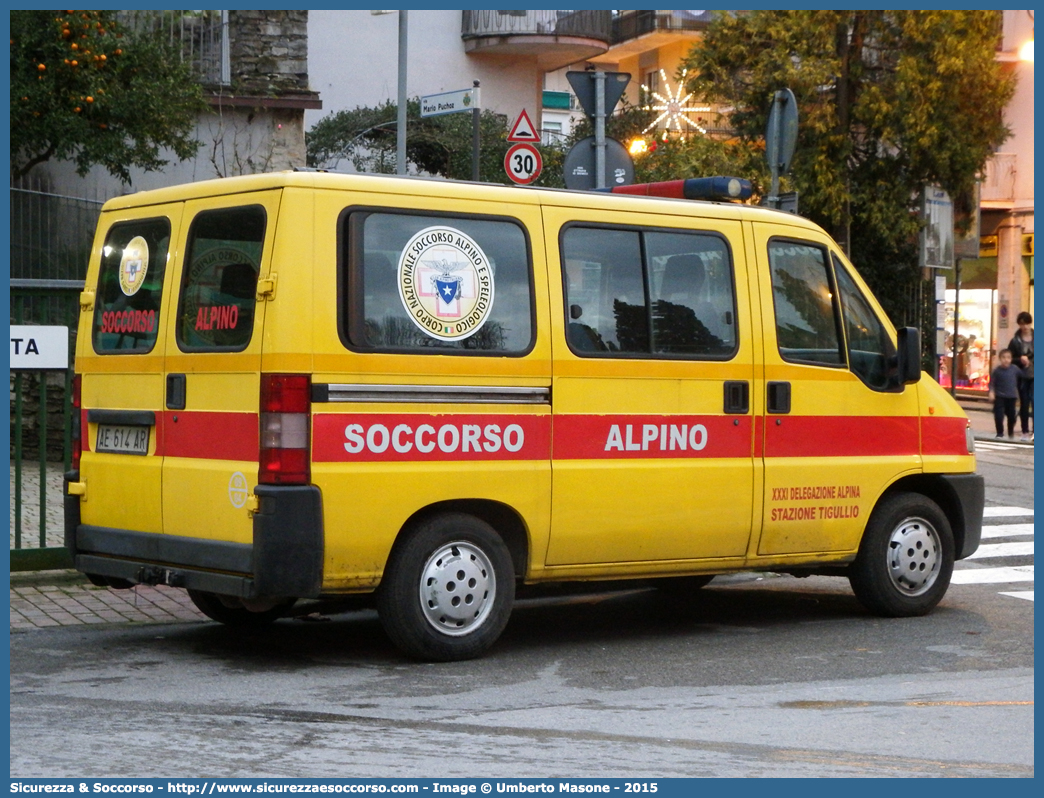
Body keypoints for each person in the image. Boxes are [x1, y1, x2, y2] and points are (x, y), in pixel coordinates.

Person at [1008, 311, 1034, 441]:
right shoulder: (1015, 341)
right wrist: (1020, 360)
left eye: (1027, 324)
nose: (1025, 327)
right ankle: (1024, 431)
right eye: (1022, 324)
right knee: (1024, 403)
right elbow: (1009, 358)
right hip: (1022, 376)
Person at [989, 349, 1023, 439]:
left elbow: (1023, 376)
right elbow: (992, 383)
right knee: (999, 416)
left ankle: (1010, 431)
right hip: (999, 397)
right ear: (1000, 359)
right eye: (1003, 357)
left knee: (1012, 416)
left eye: (1008, 357)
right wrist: (991, 392)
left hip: (1011, 397)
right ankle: (1000, 433)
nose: (1006, 360)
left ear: (1011, 359)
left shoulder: (1015, 369)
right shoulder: (997, 371)